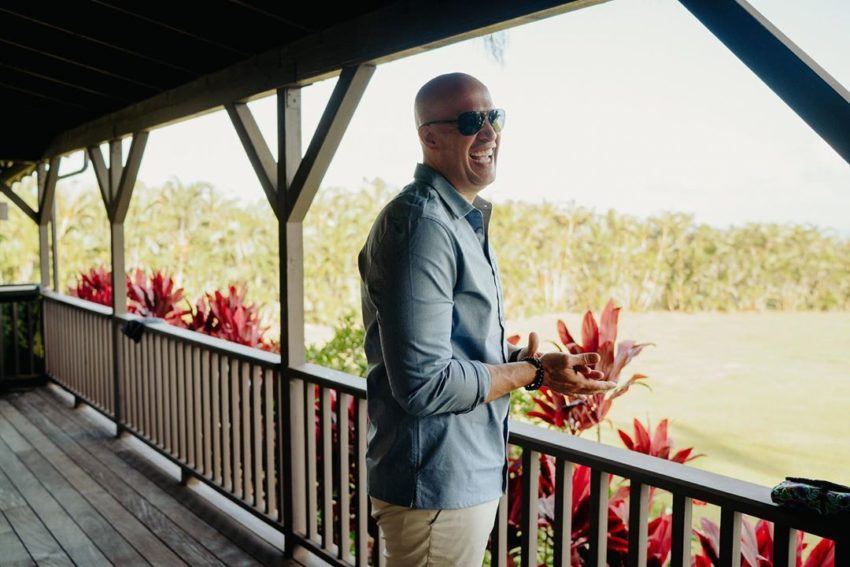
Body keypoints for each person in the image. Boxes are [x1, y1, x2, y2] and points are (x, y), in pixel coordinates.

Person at [357, 72, 614, 566]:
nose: (490, 132)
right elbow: (425, 384)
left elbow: (456, 348)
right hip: (435, 485)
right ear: (430, 137)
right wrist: (530, 373)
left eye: (494, 117)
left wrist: (531, 364)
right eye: (471, 121)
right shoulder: (423, 225)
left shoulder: (457, 221)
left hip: (456, 480)